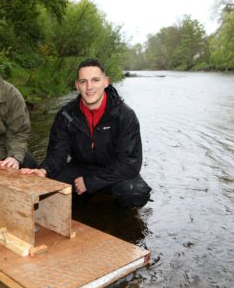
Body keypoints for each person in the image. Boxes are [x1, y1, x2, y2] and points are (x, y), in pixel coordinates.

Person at [21, 59, 151, 209]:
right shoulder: (66, 115)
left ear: (105, 82)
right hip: (80, 167)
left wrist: (90, 182)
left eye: (95, 80)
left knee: (135, 193)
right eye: (83, 81)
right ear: (77, 85)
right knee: (47, 187)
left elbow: (130, 164)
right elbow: (58, 154)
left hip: (114, 170)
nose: (89, 87)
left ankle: (112, 213)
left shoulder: (125, 116)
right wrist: (43, 171)